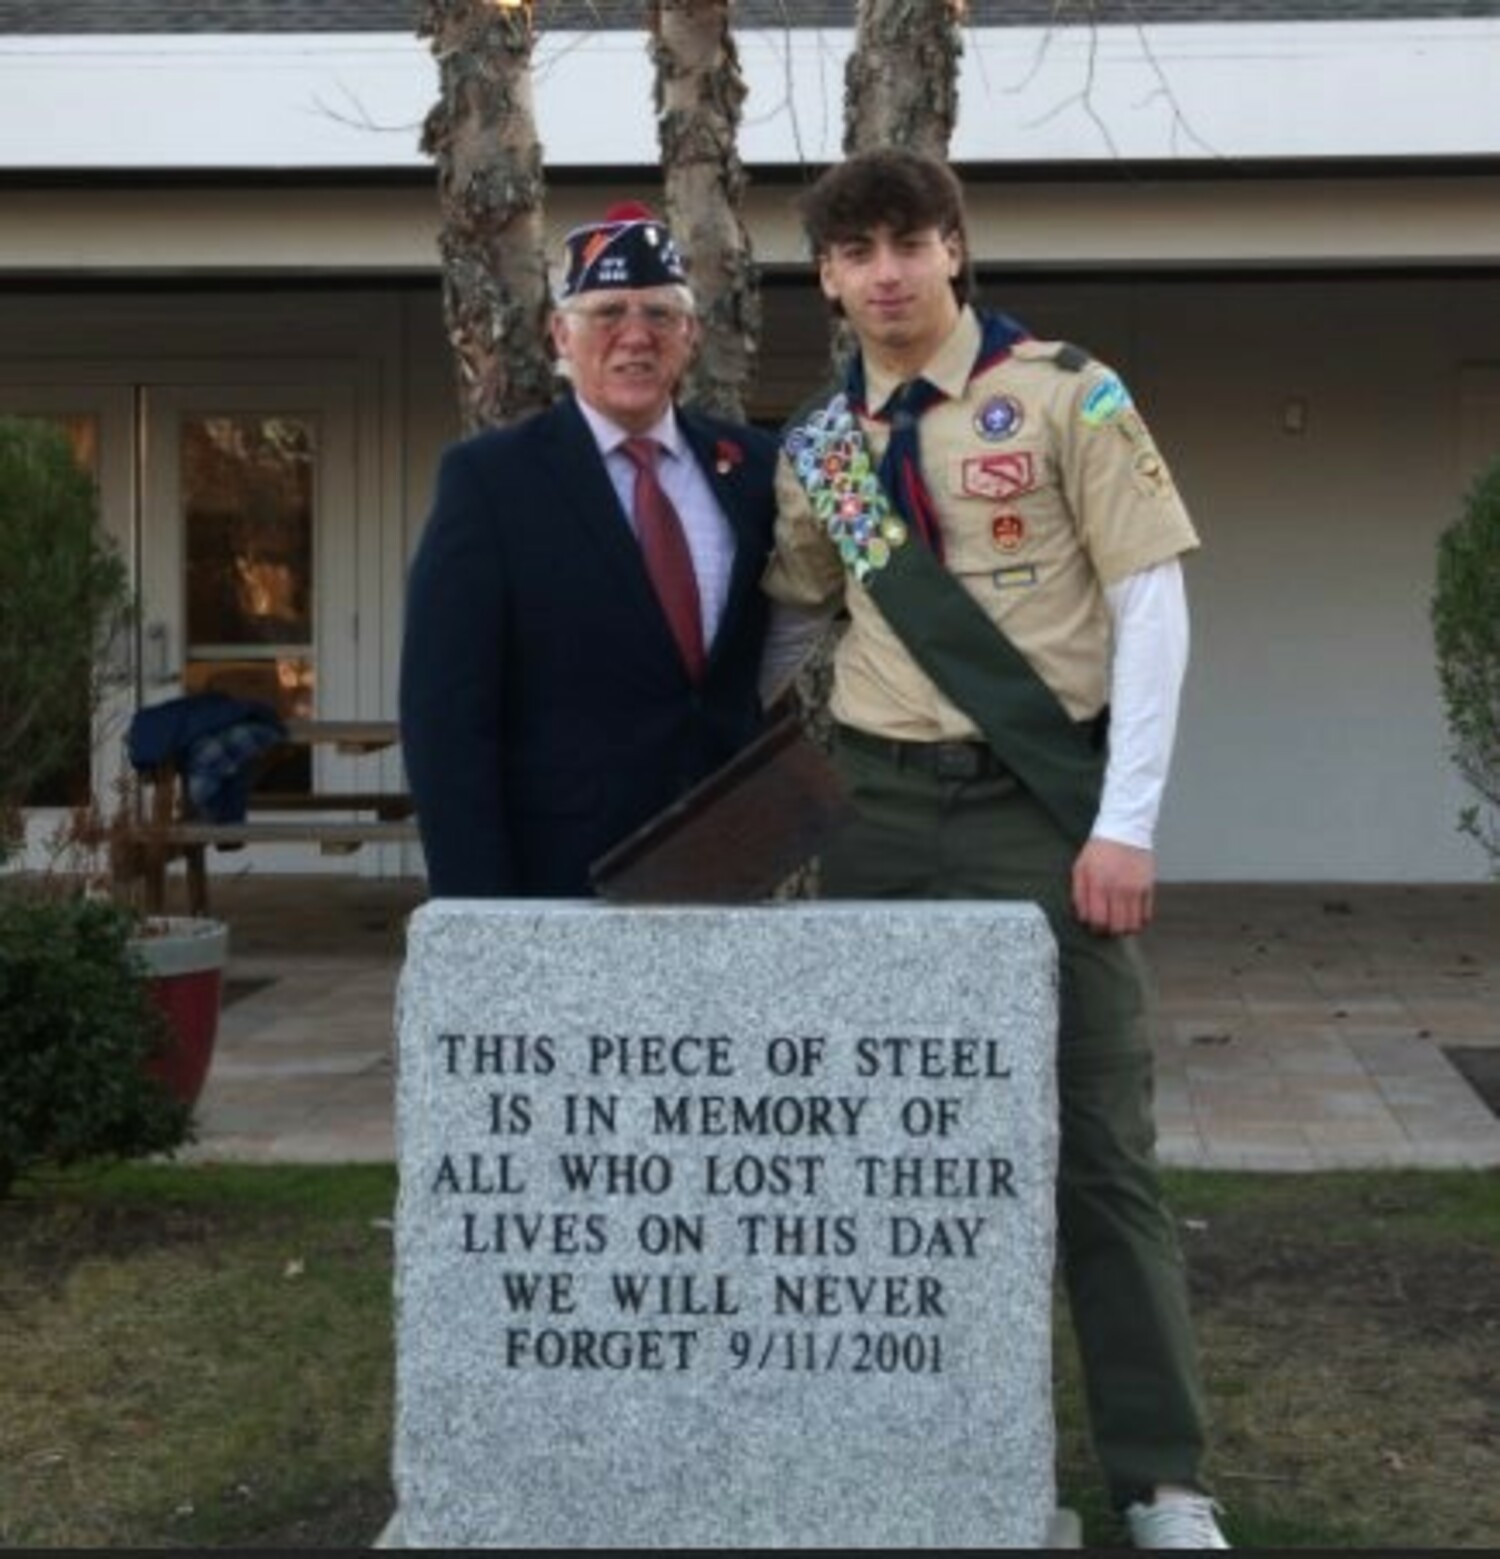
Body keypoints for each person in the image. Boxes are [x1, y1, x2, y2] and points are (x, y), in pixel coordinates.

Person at [761, 150, 1228, 1550]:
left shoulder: (1067, 393)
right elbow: (799, 623)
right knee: (860, 1142)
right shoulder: (827, 447)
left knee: (1098, 1146)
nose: (887, 272)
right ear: (830, 279)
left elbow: (1153, 607)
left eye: (911, 241)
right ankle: (888, 1440)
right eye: (857, 253)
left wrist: (1126, 819)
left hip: (1044, 808)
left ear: (956, 248)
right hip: (881, 814)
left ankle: (1160, 1476)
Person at [400, 203, 779, 897]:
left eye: (660, 314)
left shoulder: (753, 469)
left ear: (690, 333)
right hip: (562, 877)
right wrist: (477, 912)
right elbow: (445, 717)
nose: (635, 336)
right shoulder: (490, 482)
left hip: (726, 870)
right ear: (559, 336)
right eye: (607, 313)